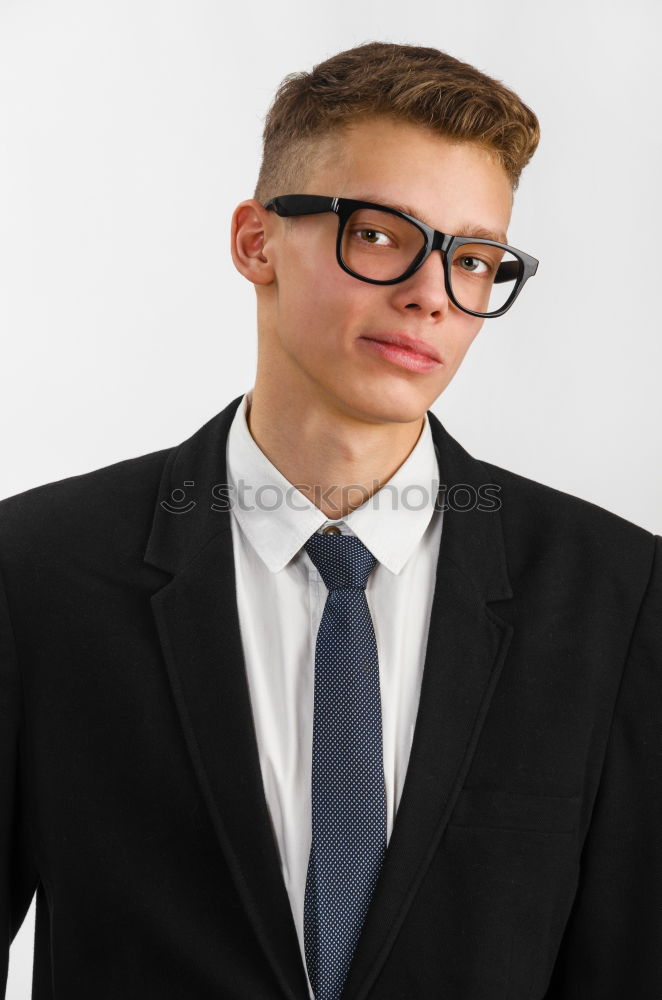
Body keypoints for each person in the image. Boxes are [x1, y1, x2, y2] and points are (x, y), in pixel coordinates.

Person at [1, 40, 660, 1000]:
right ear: (256, 240)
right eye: (384, 234)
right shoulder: (35, 574)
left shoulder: (618, 596)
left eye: (474, 259)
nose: (432, 294)